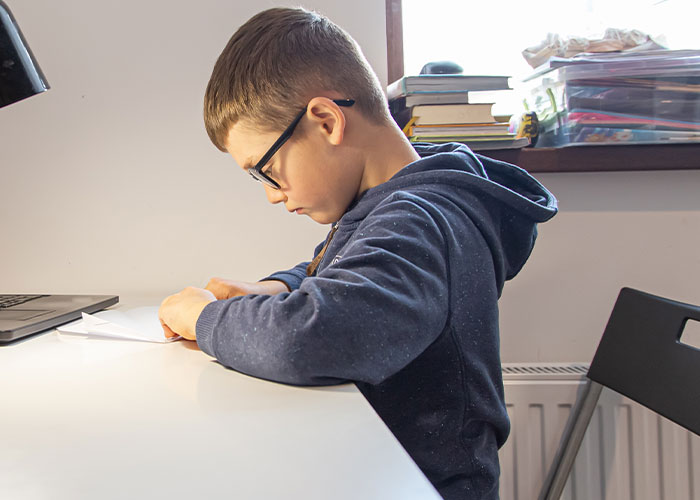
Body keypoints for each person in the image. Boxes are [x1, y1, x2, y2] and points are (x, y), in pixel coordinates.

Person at [158, 7, 557, 499]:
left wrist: (203, 317)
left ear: (326, 120)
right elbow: (339, 271)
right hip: (379, 466)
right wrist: (279, 286)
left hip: (419, 484)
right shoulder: (392, 204)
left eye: (266, 171)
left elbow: (313, 338)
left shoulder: (417, 219)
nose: (272, 194)